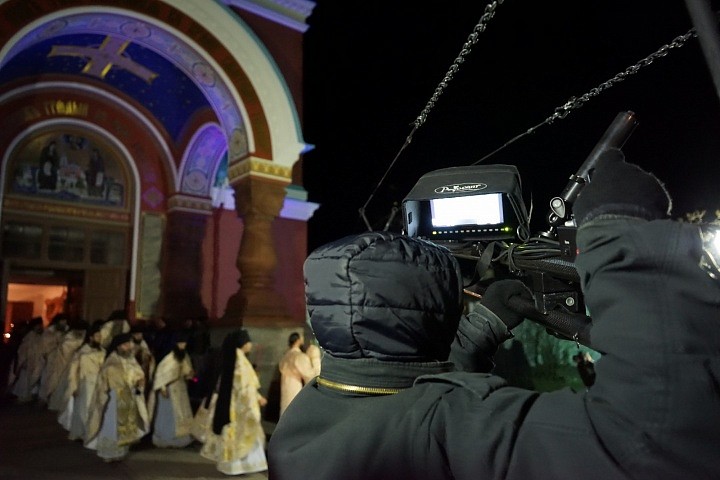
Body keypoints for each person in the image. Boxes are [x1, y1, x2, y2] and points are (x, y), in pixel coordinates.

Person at [268, 149, 720, 479]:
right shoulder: (452, 423)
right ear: (438, 309)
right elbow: (658, 439)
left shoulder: (309, 414)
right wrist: (620, 228)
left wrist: (485, 323)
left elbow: (396, 384)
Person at [201, 329, 268, 475]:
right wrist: (257, 399)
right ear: (243, 343)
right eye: (248, 342)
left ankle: (231, 466)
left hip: (231, 404)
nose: (250, 344)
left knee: (234, 435)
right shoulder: (241, 362)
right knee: (243, 434)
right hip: (240, 406)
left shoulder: (232, 358)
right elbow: (244, 388)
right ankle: (243, 466)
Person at [84, 332, 150, 462]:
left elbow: (139, 374)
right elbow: (103, 382)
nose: (128, 347)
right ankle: (108, 453)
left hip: (129, 397)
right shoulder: (111, 362)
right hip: (113, 398)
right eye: (125, 345)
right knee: (111, 425)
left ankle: (121, 451)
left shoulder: (131, 359)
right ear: (118, 346)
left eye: (129, 344)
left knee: (125, 427)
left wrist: (139, 382)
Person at [150, 332, 195, 448]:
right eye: (180, 343)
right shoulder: (169, 359)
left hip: (180, 388)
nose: (183, 346)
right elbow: (160, 374)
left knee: (181, 413)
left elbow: (187, 372)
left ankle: (181, 438)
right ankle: (166, 438)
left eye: (184, 343)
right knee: (168, 414)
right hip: (170, 389)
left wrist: (190, 375)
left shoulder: (184, 357)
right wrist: (162, 387)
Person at [64, 320, 106, 440]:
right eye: (97, 336)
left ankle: (92, 433)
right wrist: (74, 385)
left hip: (98, 383)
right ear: (91, 338)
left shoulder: (103, 351)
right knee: (83, 409)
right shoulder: (82, 352)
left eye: (100, 336)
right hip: (85, 383)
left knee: (96, 410)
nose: (99, 338)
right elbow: (73, 370)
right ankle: (83, 433)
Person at [278, 332, 320, 417]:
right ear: (298, 340)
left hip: (285, 385)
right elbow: (310, 375)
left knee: (286, 408)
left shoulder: (286, 355)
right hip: (295, 386)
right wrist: (315, 358)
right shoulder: (299, 356)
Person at [8, 317, 44, 403]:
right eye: (38, 325)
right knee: (24, 381)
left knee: (31, 379)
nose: (39, 327)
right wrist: (23, 361)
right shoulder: (29, 336)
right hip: (27, 362)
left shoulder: (40, 337)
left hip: (35, 362)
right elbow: (23, 350)